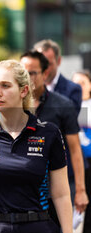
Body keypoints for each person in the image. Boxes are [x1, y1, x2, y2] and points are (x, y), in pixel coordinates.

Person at [0, 60, 72, 233]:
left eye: (5, 86)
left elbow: (61, 193)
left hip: (36, 225)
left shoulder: (48, 133)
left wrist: (68, 231)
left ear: (23, 90)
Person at [20, 51, 88, 228]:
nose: (27, 77)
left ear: (45, 74)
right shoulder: (12, 105)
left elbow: (74, 149)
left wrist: (80, 190)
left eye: (32, 72)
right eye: (22, 72)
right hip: (22, 192)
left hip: (56, 191)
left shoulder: (63, 105)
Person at [34, 39, 82, 114]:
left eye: (48, 64)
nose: (44, 69)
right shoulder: (29, 89)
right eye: (40, 64)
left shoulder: (73, 89)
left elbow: (69, 120)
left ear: (58, 61)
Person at [72, 70, 91, 233]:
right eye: (75, 84)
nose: (79, 87)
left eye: (83, 83)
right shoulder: (67, 106)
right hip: (72, 163)